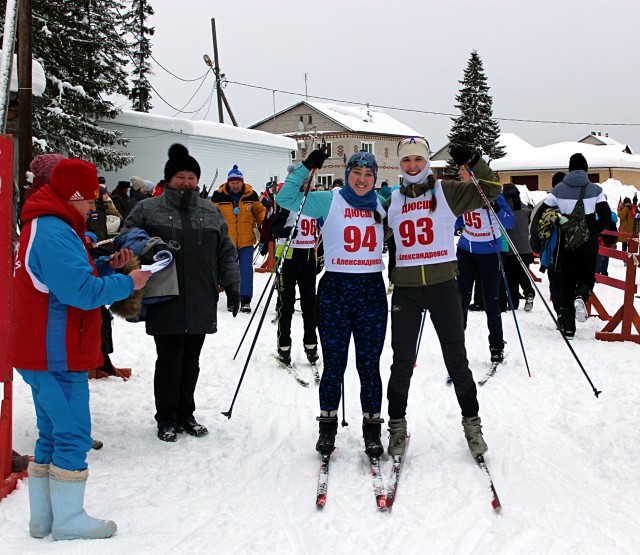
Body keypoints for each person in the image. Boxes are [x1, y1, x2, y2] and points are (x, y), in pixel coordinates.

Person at [10, 158, 151, 541]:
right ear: (71, 195)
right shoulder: (54, 231)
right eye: (90, 199)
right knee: (72, 434)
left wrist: (106, 265)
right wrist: (130, 282)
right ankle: (69, 520)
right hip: (55, 350)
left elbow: (67, 276)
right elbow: (79, 293)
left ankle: (43, 519)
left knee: (51, 434)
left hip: (43, 348)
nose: (94, 206)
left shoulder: (49, 225)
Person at [384, 139, 502, 459]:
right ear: (400, 164)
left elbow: (491, 190)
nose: (412, 165)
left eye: (418, 160)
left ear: (426, 163)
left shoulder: (446, 192)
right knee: (402, 363)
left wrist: (475, 160)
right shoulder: (391, 200)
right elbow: (368, 232)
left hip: (443, 286)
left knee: (457, 362)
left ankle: (472, 425)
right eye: (406, 160)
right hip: (406, 291)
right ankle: (396, 426)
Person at [123, 144, 241, 442]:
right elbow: (126, 237)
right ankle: (166, 418)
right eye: (180, 176)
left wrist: (233, 284)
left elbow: (226, 250)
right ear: (168, 180)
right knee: (169, 358)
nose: (186, 182)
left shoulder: (210, 210)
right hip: (165, 295)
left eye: (191, 177)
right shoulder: (148, 209)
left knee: (192, 359)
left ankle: (186, 414)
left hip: (201, 294)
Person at [277, 148, 388, 458]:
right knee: (334, 364)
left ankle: (372, 428)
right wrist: (306, 166)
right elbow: (285, 199)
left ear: (375, 178)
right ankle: (327, 424)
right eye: (357, 173)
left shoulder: (381, 205)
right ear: (347, 173)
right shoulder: (330, 199)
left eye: (369, 174)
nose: (362, 179)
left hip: (371, 291)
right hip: (336, 289)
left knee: (369, 365)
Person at [530, 153, 611, 338]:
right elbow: (606, 216)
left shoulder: (558, 189)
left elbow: (543, 213)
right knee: (587, 277)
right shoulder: (595, 190)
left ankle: (568, 328)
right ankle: (581, 296)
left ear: (570, 168)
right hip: (588, 247)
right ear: (586, 169)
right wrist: (593, 232)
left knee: (566, 284)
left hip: (565, 246)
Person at [456, 175, 514, 364]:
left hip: (490, 253)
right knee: (461, 299)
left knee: (491, 301)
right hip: (466, 251)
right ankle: (456, 347)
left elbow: (510, 221)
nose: (460, 174)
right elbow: (456, 220)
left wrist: (494, 207)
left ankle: (496, 346)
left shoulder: (495, 195)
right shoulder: (463, 194)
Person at [271, 194, 319, 366]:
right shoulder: (287, 201)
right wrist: (284, 231)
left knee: (309, 303)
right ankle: (284, 347)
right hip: (288, 257)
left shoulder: (315, 201)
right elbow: (274, 227)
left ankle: (311, 344)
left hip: (308, 257)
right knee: (287, 304)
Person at [211, 164, 266, 313]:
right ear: (228, 182)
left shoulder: (251, 195)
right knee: (229, 271)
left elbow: (260, 213)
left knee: (245, 271)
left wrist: (267, 225)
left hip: (246, 241)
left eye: (237, 182)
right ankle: (231, 297)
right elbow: (211, 215)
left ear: (242, 181)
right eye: (232, 182)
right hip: (227, 242)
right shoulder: (218, 196)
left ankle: (245, 299)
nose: (235, 185)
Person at [502, 183, 536, 310]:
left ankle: (513, 303)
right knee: (522, 274)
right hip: (526, 249)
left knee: (510, 278)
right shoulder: (526, 209)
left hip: (510, 249)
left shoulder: (504, 210)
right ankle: (528, 292)